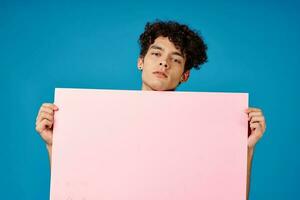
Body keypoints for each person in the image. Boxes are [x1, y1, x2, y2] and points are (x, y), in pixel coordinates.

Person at [35, 20, 266, 199]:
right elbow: (73, 191)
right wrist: (55, 144)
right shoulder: (104, 119)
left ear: (185, 75)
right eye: (156, 54)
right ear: (140, 61)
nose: (164, 62)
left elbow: (230, 196)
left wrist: (245, 149)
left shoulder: (202, 131)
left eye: (175, 59)